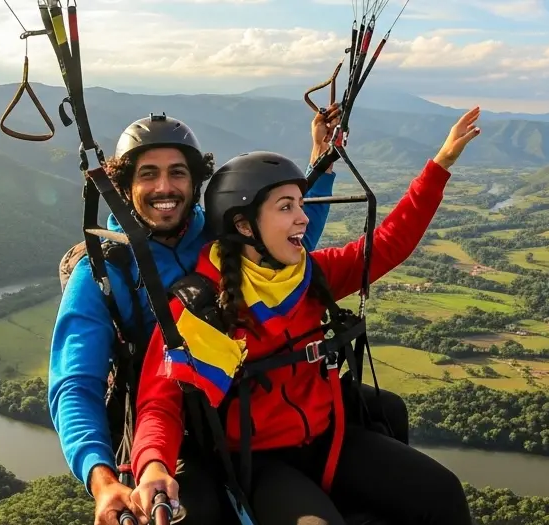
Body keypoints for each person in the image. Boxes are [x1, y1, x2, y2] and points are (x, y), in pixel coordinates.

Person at [129, 107, 483, 524]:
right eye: (286, 207)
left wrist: (440, 165)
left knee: (442, 494)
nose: (302, 217)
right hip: (262, 462)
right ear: (245, 226)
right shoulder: (204, 308)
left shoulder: (309, 276)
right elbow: (161, 402)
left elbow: (389, 244)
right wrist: (153, 465)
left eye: (300, 203)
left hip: (328, 437)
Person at [48, 108, 345, 525]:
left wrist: (322, 164)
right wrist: (102, 479)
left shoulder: (220, 236)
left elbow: (291, 245)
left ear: (195, 182)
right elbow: (75, 383)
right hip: (168, 429)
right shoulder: (105, 270)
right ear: (126, 185)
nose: (164, 187)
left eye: (178, 173)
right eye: (148, 174)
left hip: (245, 415)